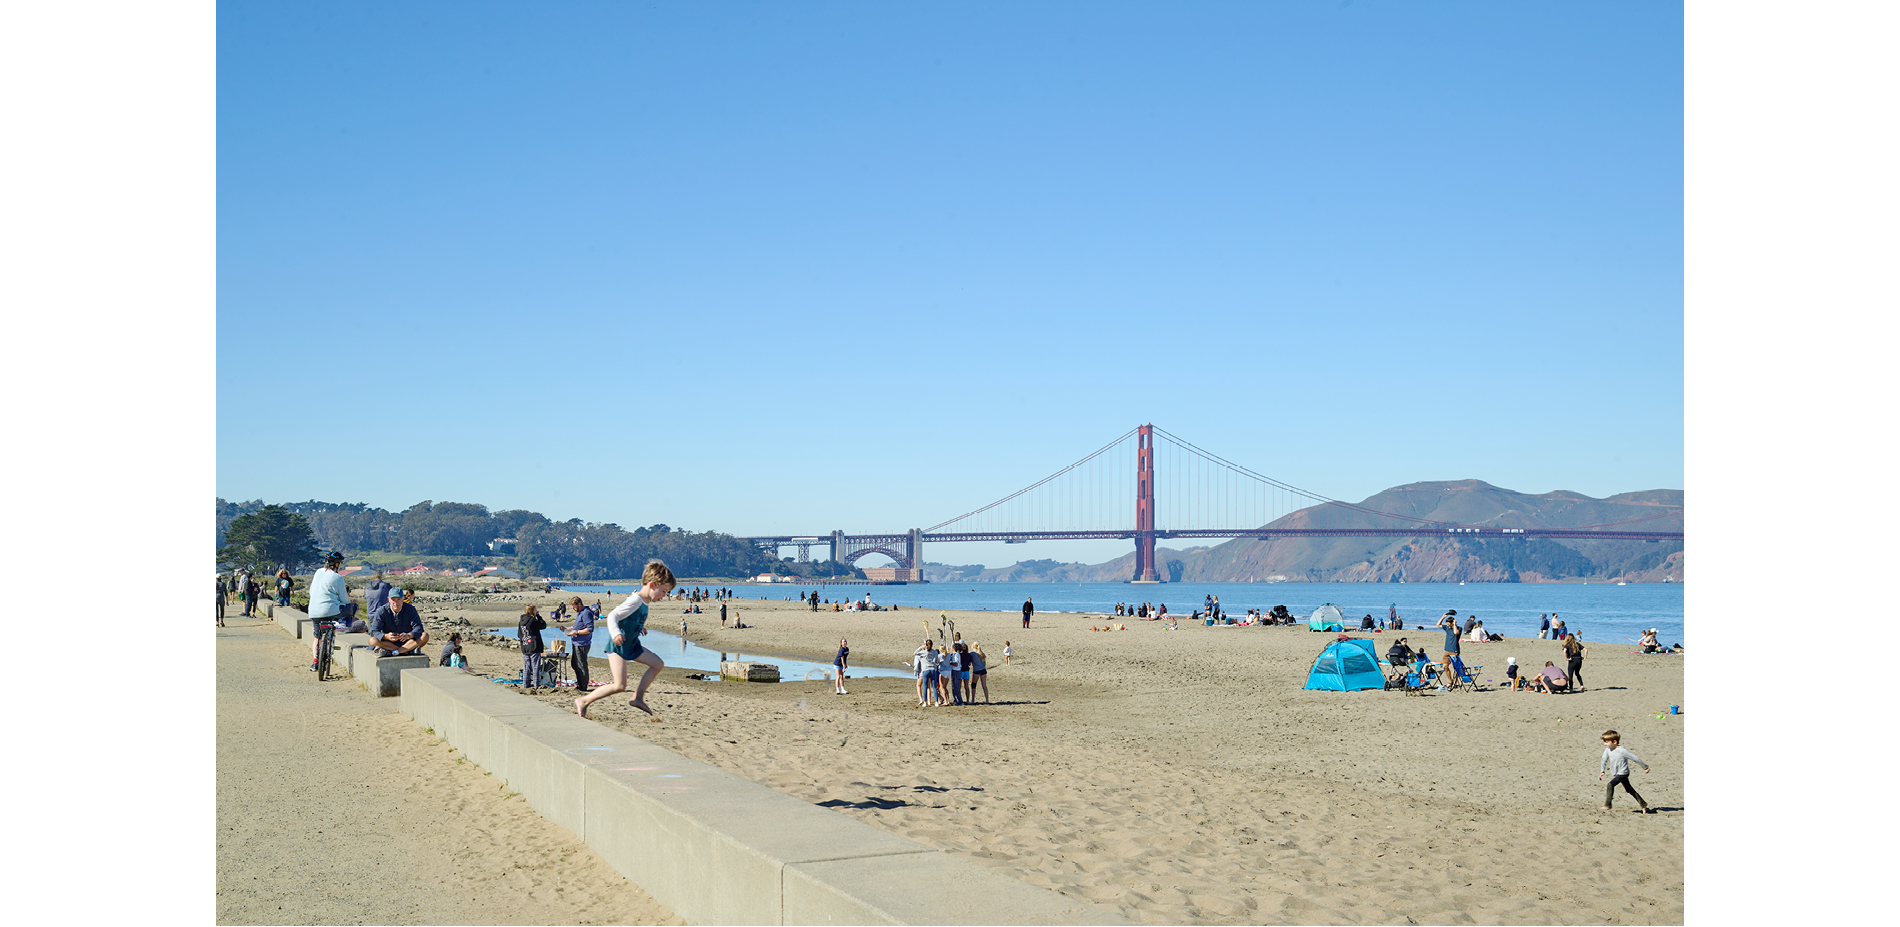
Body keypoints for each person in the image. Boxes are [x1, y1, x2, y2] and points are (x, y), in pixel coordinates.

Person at [575, 560, 676, 719]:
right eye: (664, 591)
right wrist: (615, 633)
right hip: (618, 646)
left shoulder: (645, 601)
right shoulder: (635, 600)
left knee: (658, 664)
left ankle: (637, 697)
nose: (665, 596)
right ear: (652, 585)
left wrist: (638, 626)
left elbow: (629, 618)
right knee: (619, 685)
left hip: (632, 644)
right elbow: (613, 616)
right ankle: (584, 700)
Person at [307, 551, 356, 671]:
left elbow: (311, 591)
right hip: (330, 611)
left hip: (313, 611)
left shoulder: (318, 572)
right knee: (350, 608)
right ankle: (336, 632)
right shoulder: (338, 577)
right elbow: (344, 598)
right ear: (337, 564)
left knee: (317, 636)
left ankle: (315, 661)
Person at [1597, 730, 1653, 813]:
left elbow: (1635, 758)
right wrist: (1602, 771)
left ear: (1615, 742)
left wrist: (1645, 767)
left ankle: (1607, 805)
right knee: (1629, 789)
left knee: (1610, 785)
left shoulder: (1623, 751)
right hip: (1616, 773)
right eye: (1604, 742)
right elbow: (1604, 760)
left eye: (1607, 742)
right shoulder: (1608, 749)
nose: (1605, 744)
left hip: (1623, 773)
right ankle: (1643, 804)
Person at [370, 587, 429, 656]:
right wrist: (386, 636)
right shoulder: (381, 611)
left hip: (407, 641)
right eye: (393, 600)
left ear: (403, 599)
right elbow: (374, 631)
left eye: (398, 599)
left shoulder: (410, 609)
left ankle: (395, 652)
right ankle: (406, 650)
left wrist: (409, 635)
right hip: (389, 642)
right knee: (372, 641)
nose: (396, 602)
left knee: (425, 636)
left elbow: (419, 627)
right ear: (388, 599)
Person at [562, 596, 596, 694]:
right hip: (576, 643)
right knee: (575, 664)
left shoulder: (586, 613)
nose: (572, 608)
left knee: (581, 665)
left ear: (579, 604)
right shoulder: (580, 613)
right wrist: (567, 629)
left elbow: (590, 629)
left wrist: (576, 633)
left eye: (573, 606)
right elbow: (577, 626)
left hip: (582, 643)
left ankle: (583, 686)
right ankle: (580, 683)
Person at [518, 604, 547, 688]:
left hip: (525, 646)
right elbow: (543, 625)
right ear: (532, 611)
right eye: (535, 610)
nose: (536, 611)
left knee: (527, 667)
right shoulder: (533, 620)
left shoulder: (521, 622)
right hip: (534, 646)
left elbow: (519, 634)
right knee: (535, 668)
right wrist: (538, 616)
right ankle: (536, 686)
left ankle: (525, 685)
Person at [913, 638, 942, 707]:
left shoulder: (924, 652)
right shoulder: (935, 652)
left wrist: (921, 647)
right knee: (934, 686)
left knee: (925, 686)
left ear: (926, 645)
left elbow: (915, 653)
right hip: (933, 669)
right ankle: (936, 702)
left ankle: (925, 702)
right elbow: (937, 661)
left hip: (925, 670)